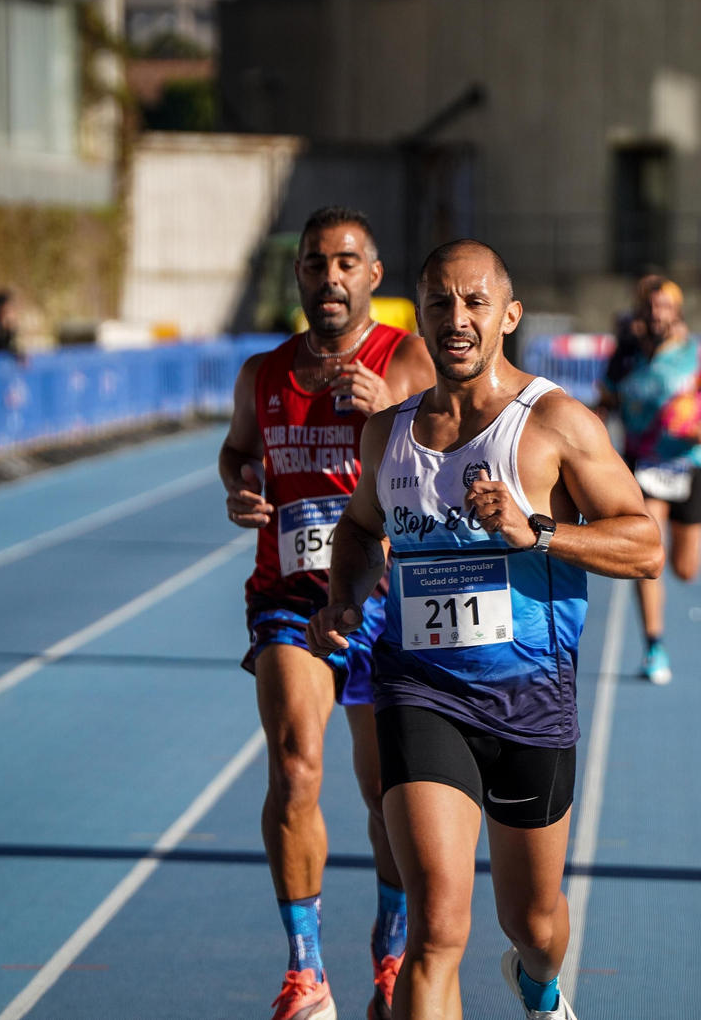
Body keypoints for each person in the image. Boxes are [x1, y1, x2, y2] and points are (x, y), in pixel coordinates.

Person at [306, 239, 662, 1020]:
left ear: (509, 315)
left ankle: (539, 986)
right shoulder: (388, 434)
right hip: (420, 692)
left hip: (531, 699)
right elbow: (361, 531)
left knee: (532, 925)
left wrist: (539, 531)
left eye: (474, 303)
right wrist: (345, 597)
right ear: (420, 317)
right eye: (439, 302)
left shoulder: (556, 422)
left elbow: (643, 544)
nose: (457, 319)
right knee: (436, 928)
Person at [221, 207, 436, 1020]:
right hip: (291, 597)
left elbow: (452, 457)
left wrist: (389, 409)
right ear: (301, 277)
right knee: (295, 766)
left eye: (347, 263)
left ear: (373, 277)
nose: (331, 277)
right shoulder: (264, 372)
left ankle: (389, 950)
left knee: (388, 792)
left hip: (389, 599)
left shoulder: (407, 357)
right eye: (316, 264)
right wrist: (239, 485)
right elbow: (238, 448)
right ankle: (306, 974)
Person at [598, 275, 701, 684]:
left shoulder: (698, 354)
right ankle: (654, 646)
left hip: (689, 464)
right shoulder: (624, 356)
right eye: (651, 306)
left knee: (685, 568)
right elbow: (604, 405)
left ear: (676, 312)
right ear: (641, 312)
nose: (657, 314)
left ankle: (656, 639)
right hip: (642, 465)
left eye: (665, 306)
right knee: (649, 560)